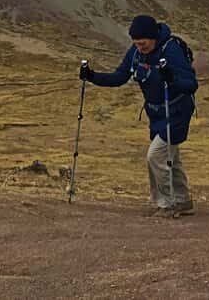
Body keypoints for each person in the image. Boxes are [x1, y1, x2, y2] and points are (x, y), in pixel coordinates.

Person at [79, 14, 198, 217]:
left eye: (143, 43)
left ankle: (166, 205)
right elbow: (119, 77)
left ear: (153, 37)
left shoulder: (171, 50)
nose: (139, 47)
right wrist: (92, 76)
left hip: (177, 111)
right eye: (136, 43)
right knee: (170, 156)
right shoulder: (136, 53)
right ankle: (182, 200)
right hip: (157, 114)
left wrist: (172, 78)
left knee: (156, 155)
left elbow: (191, 84)